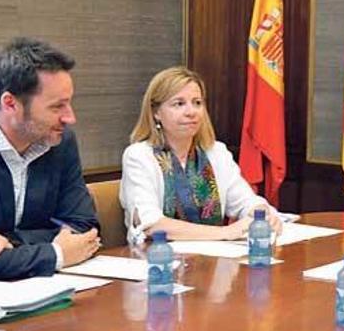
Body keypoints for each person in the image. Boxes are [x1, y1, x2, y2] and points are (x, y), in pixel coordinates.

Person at [0, 37, 100, 280]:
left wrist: (10, 240)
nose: (70, 118)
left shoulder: (60, 141)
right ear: (10, 104)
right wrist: (56, 253)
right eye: (57, 107)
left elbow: (84, 229)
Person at [120, 67, 281, 241]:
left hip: (213, 259)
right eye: (179, 104)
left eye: (197, 102)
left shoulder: (216, 152)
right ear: (156, 112)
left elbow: (245, 201)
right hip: (157, 260)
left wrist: (263, 213)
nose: (191, 112)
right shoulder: (139, 156)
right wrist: (225, 233)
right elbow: (151, 224)